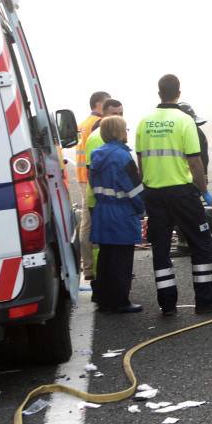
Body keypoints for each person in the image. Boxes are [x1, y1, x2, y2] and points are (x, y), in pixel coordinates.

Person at [136, 74, 212, 316]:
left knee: (160, 247)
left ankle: (167, 305)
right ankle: (204, 301)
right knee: (201, 244)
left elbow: (140, 162)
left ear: (159, 93)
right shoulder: (184, 121)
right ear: (178, 93)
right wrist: (204, 191)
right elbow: (195, 161)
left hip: (154, 194)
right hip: (181, 193)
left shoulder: (144, 123)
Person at [89, 116, 143, 314]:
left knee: (106, 257)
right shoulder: (122, 157)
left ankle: (104, 300)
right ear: (119, 131)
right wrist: (141, 209)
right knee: (122, 259)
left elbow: (93, 184)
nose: (127, 132)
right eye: (125, 128)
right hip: (121, 212)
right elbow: (135, 190)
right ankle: (121, 301)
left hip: (103, 211)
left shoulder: (96, 155)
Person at [175, 101, 212, 250]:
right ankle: (184, 243)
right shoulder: (193, 131)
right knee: (184, 211)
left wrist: (203, 187)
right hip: (190, 176)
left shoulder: (192, 132)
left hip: (189, 177)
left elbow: (196, 160)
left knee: (183, 210)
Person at [81, 98, 124, 283]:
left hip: (101, 197)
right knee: (103, 241)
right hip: (103, 199)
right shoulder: (100, 136)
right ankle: (102, 277)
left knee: (101, 239)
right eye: (115, 114)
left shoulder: (101, 134)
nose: (119, 118)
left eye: (121, 114)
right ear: (104, 113)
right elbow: (98, 172)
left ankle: (101, 277)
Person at [76, 90, 110, 280]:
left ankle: (91, 267)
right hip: (91, 178)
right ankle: (91, 268)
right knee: (89, 223)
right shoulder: (95, 125)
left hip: (85, 176)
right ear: (99, 104)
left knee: (86, 223)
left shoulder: (83, 123)